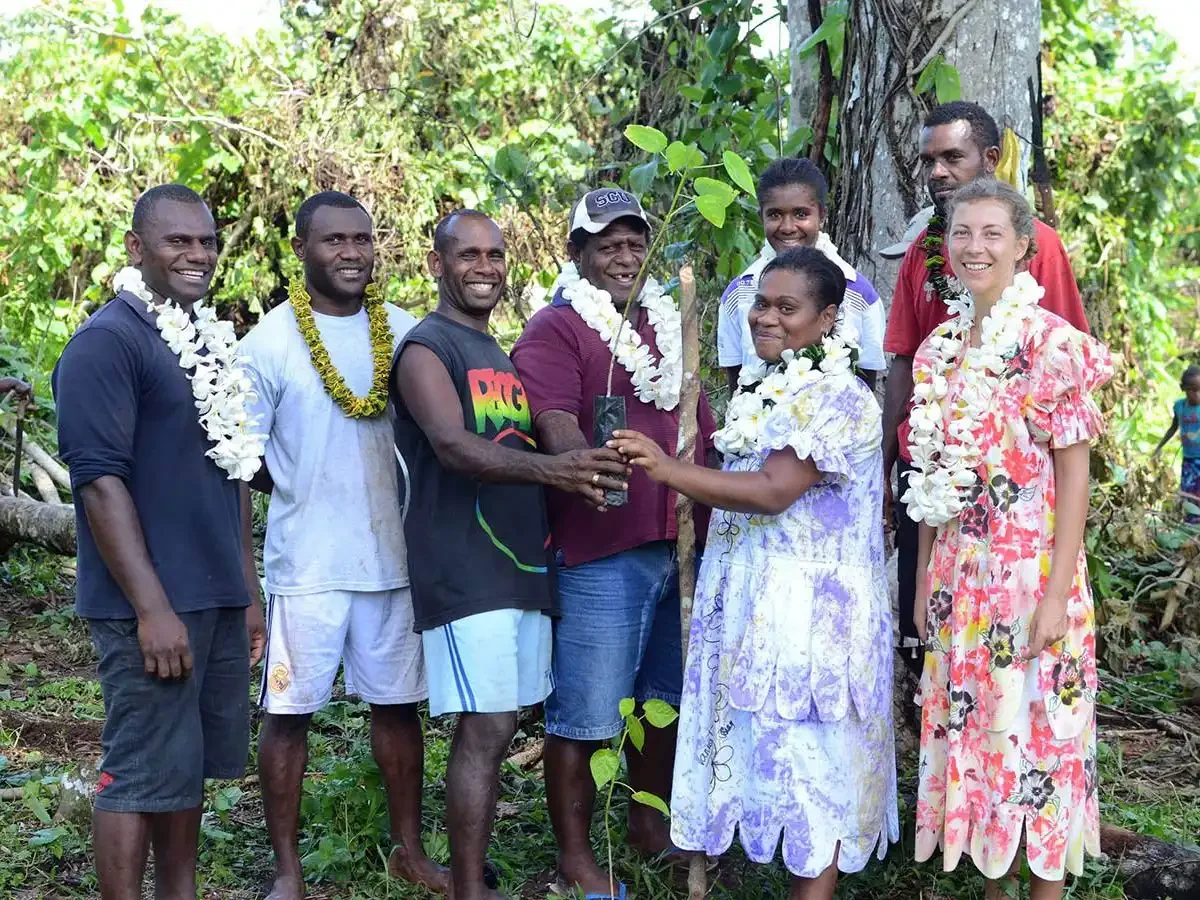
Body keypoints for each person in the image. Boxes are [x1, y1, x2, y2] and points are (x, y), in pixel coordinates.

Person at [612, 246, 899, 900]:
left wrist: (665, 468)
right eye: (761, 304)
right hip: (756, 599)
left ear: (828, 319)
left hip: (812, 615)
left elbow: (773, 489)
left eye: (786, 307)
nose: (767, 318)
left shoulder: (838, 396)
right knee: (774, 757)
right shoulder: (764, 388)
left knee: (815, 766)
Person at [392, 209, 629, 900]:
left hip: (521, 568)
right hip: (464, 567)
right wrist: (559, 473)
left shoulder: (497, 352)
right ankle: (469, 891)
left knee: (503, 722)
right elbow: (453, 447)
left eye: (495, 255)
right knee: (487, 725)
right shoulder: (427, 348)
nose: (486, 267)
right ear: (437, 264)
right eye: (468, 255)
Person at [52, 184, 266, 900]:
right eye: (178, 241)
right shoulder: (107, 342)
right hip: (150, 607)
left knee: (188, 767)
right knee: (140, 770)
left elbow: (234, 472)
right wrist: (151, 608)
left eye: (206, 240)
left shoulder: (204, 336)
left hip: (215, 597)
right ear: (136, 248)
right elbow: (100, 485)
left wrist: (248, 591)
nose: (197, 254)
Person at [237, 191, 446, 899]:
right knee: (288, 714)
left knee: (397, 707)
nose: (352, 252)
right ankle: (287, 871)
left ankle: (409, 852)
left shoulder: (406, 332)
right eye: (334, 241)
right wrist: (247, 584)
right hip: (309, 567)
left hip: (393, 560)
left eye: (362, 238)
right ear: (300, 249)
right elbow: (243, 467)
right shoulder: (267, 344)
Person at [906, 179, 1111, 899]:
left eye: (993, 233)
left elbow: (1075, 479)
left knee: (1040, 739)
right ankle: (993, 887)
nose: (975, 248)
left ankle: (1045, 890)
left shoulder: (1054, 346)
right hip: (962, 580)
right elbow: (931, 475)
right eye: (962, 233)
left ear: (1024, 246)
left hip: (1032, 576)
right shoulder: (937, 350)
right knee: (981, 737)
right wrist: (926, 573)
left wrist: (1057, 594)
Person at [510, 188, 718, 898]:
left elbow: (699, 418)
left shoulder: (670, 320)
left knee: (664, 699)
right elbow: (554, 422)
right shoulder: (557, 328)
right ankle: (575, 858)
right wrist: (590, 465)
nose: (625, 256)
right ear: (577, 254)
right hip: (604, 548)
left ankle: (646, 825)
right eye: (608, 245)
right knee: (589, 712)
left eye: (636, 243)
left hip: (679, 542)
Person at [882, 101, 1090, 675]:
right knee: (931, 645)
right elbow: (904, 358)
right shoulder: (924, 254)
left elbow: (1070, 419)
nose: (938, 172)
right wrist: (892, 457)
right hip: (937, 482)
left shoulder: (1040, 251)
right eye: (929, 161)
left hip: (1022, 511)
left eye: (953, 156)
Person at [716, 157, 887, 392]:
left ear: (822, 215)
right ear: (761, 217)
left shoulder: (858, 294)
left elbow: (866, 383)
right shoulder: (740, 294)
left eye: (801, 214)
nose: (787, 227)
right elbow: (736, 384)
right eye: (775, 215)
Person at [1152, 364, 1200, 522]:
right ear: (1183, 388)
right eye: (1193, 390)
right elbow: (1173, 427)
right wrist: (1159, 446)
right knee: (1189, 494)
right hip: (1189, 460)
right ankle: (1191, 526)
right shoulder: (1180, 406)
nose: (1197, 394)